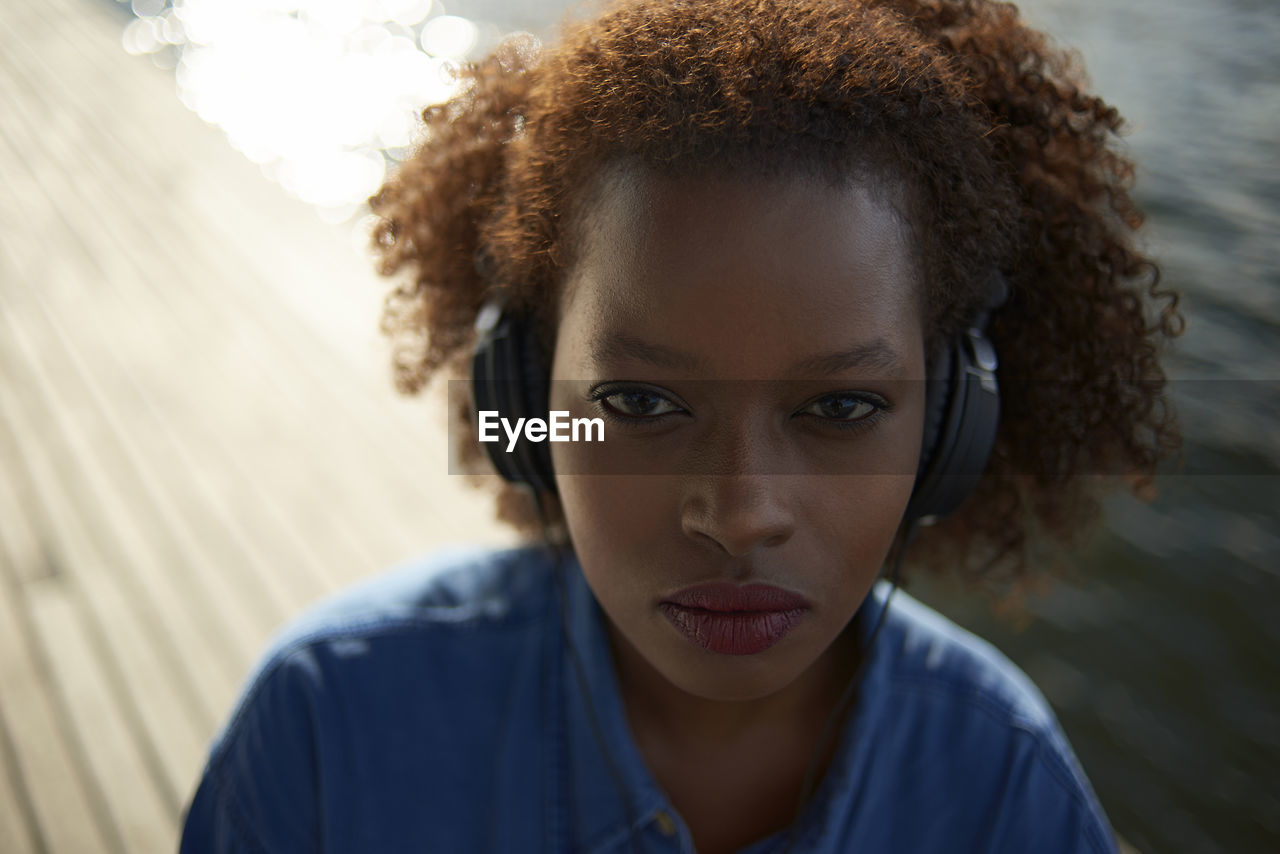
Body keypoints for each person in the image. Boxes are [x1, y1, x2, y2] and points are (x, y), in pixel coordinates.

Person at [179, 0, 1184, 851]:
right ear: (521, 398)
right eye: (639, 402)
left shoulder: (1007, 789)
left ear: (949, 427)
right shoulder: (323, 723)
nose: (738, 513)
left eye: (839, 407)